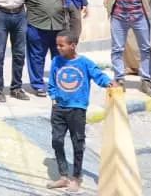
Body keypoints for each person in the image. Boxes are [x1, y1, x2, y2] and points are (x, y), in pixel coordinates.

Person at [46, 32, 114, 193]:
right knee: (56, 141)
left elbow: (98, 75)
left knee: (77, 143)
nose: (58, 48)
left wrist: (109, 83)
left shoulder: (85, 63)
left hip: (77, 110)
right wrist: (54, 98)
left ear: (73, 45)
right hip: (59, 109)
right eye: (57, 45)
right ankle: (63, 176)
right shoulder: (56, 61)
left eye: (61, 45)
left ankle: (77, 177)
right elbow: (52, 82)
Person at [26, 0, 68, 97]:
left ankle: (58, 83)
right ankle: (38, 85)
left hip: (58, 23)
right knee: (37, 55)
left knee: (59, 55)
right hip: (37, 22)